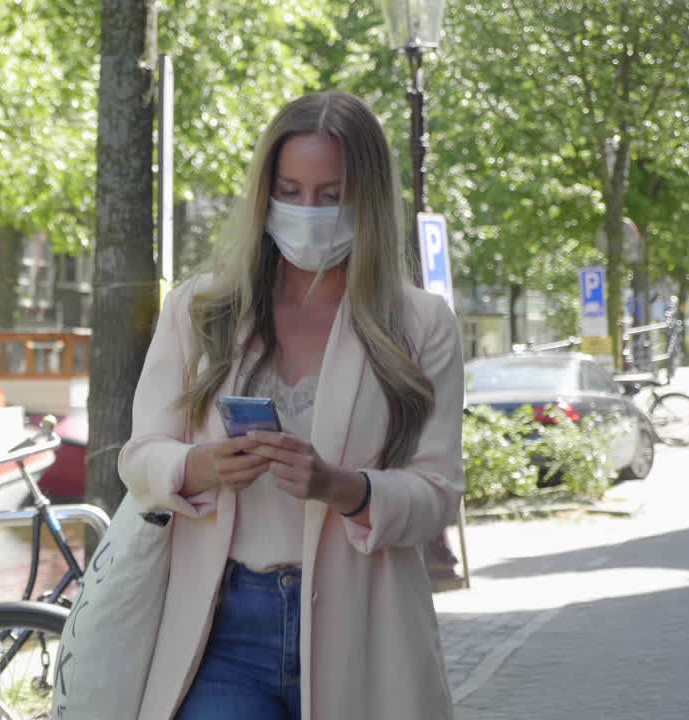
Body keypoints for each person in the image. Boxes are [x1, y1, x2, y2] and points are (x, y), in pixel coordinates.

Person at [118, 91, 464, 720]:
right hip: (220, 630)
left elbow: (438, 494)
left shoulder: (420, 325)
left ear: (368, 200)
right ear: (265, 193)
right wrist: (199, 466)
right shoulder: (202, 310)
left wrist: (343, 487)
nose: (308, 212)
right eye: (290, 191)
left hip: (365, 628)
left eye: (332, 196)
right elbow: (139, 458)